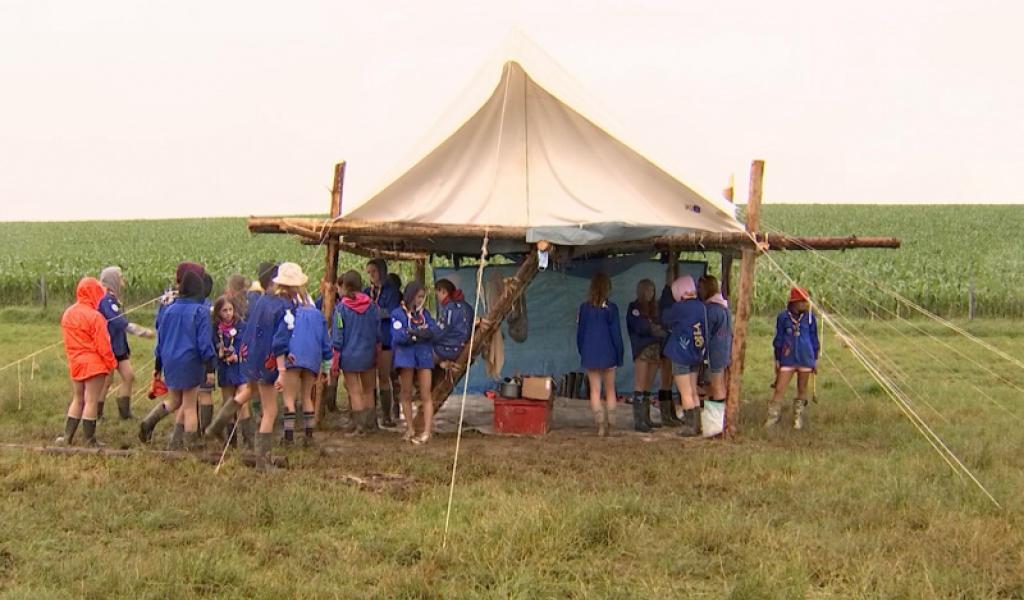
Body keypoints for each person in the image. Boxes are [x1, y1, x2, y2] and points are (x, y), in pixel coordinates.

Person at [151, 271, 217, 450]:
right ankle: (190, 445)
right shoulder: (200, 311)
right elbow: (205, 343)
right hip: (190, 360)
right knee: (189, 405)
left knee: (174, 400)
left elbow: (161, 339)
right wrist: (210, 368)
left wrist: (158, 366)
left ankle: (148, 423)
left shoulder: (169, 309)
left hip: (170, 360)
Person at [271, 263, 331, 446]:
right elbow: (325, 342)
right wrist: (327, 366)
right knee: (307, 396)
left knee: (289, 397)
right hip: (312, 358)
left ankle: (288, 436)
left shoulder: (287, 311)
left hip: (292, 355)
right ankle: (309, 436)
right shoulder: (317, 314)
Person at [239, 262, 291, 468]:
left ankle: (218, 425)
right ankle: (263, 460)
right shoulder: (281, 306)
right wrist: (281, 369)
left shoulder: (259, 301)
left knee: (248, 393)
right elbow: (280, 341)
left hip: (252, 357)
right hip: (269, 361)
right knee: (270, 410)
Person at [55, 277, 118, 446]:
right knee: (91, 400)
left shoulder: (68, 313)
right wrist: (112, 364)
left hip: (75, 362)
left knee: (77, 399)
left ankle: (67, 438)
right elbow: (103, 346)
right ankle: (89, 440)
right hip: (94, 364)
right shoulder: (96, 317)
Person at [97, 266, 155, 420]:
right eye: (120, 277)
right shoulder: (105, 300)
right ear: (112, 280)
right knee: (107, 380)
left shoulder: (114, 299)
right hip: (108, 346)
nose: (123, 281)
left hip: (119, 346)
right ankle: (97, 413)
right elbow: (119, 322)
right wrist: (141, 331)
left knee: (128, 376)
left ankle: (125, 412)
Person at [331, 270, 381, 434]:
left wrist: (335, 355)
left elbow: (338, 335)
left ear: (345, 286)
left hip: (349, 355)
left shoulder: (340, 309)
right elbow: (378, 331)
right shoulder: (372, 305)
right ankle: (370, 425)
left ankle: (360, 428)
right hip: (369, 353)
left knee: (354, 391)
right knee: (368, 389)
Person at [391, 281, 440, 444]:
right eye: (417, 296)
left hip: (423, 357)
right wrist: (418, 335)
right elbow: (399, 336)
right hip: (406, 357)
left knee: (426, 395)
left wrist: (414, 334)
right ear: (409, 295)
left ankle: (427, 431)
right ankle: (410, 428)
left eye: (422, 297)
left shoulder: (424, 314)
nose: (419, 300)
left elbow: (432, 331)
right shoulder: (398, 313)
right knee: (406, 393)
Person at [576, 273, 624, 437]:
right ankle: (611, 424)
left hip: (590, 353)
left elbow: (580, 334)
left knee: (595, 391)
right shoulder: (612, 309)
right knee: (610, 390)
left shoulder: (584, 308)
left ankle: (600, 425)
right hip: (609, 352)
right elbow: (616, 334)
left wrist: (583, 350)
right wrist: (619, 354)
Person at [203, 295, 255, 449]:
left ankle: (248, 439)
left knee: (242, 402)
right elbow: (212, 347)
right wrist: (220, 354)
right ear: (218, 312)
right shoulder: (215, 329)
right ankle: (231, 441)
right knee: (228, 402)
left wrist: (237, 355)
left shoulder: (241, 326)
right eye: (224, 310)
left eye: (230, 310)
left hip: (240, 368)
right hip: (225, 368)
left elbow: (247, 345)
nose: (228, 313)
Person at [767, 286, 820, 430]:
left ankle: (798, 418)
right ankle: (773, 417)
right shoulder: (783, 317)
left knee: (802, 388)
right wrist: (777, 358)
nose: (805, 304)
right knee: (779, 388)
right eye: (802, 301)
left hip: (805, 357)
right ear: (795, 302)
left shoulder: (810, 318)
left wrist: (815, 359)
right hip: (787, 357)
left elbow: (814, 338)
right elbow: (779, 338)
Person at [662, 275, 708, 437]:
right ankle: (697, 424)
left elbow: (665, 318)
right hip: (696, 353)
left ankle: (690, 426)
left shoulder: (679, 307)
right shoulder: (701, 306)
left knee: (685, 392)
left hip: (681, 353)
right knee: (693, 390)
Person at [625, 278, 665, 432]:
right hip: (642, 349)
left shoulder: (656, 307)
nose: (651, 293)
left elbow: (661, 327)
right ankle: (639, 421)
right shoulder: (634, 307)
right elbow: (641, 328)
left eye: (653, 290)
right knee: (640, 384)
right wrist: (654, 330)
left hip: (655, 349)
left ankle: (646, 418)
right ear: (641, 291)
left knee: (649, 385)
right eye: (648, 290)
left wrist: (654, 329)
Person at [366, 259, 402, 428]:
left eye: (373, 271)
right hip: (370, 340)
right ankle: (372, 416)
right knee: (369, 379)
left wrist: (374, 312)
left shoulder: (391, 291)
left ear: (381, 271)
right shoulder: (367, 291)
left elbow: (393, 312)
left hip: (386, 339)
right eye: (368, 272)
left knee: (384, 377)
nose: (371, 275)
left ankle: (387, 415)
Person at [699, 275, 733, 424]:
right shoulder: (724, 308)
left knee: (716, 386)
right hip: (724, 350)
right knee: (716, 385)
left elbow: (705, 334)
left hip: (714, 353)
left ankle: (716, 423)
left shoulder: (709, 309)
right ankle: (715, 419)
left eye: (700, 287)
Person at [656, 267, 682, 426]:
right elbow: (665, 319)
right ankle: (666, 415)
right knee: (666, 380)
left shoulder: (672, 295)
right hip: (667, 343)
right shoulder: (667, 295)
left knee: (670, 380)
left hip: (671, 342)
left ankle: (670, 413)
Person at [433, 279, 474, 364]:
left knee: (421, 356)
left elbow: (439, 332)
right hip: (461, 346)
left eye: (437, 295)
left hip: (449, 349)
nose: (438, 299)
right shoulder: (467, 307)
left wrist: (426, 335)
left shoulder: (450, 308)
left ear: (444, 292)